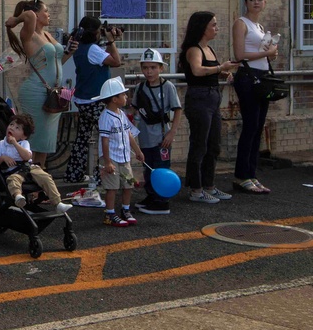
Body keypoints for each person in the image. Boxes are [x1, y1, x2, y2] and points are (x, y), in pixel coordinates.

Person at [178, 12, 239, 204]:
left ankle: (209, 185)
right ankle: (196, 189)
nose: (216, 28)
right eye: (213, 25)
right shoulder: (194, 49)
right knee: (200, 144)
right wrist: (221, 68)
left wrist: (222, 74)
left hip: (213, 97)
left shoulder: (209, 49)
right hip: (199, 98)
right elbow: (197, 70)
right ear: (202, 27)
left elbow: (208, 71)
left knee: (213, 144)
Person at [6, 0, 70, 167]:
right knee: (33, 142)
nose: (49, 14)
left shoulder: (47, 34)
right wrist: (16, 19)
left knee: (44, 145)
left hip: (53, 94)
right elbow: (28, 16)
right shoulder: (28, 34)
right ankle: (29, 179)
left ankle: (39, 181)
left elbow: (55, 63)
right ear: (36, 13)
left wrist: (70, 51)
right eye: (46, 11)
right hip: (36, 92)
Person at [64, 16, 123, 184]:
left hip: (82, 99)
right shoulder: (93, 49)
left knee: (82, 138)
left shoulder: (81, 47)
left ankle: (74, 174)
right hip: (96, 101)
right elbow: (116, 61)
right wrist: (111, 42)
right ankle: (101, 177)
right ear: (95, 32)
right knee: (105, 138)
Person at [231, 0, 278, 194]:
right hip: (248, 77)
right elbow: (240, 54)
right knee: (250, 126)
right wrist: (266, 53)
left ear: (265, 2)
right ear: (246, 3)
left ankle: (252, 174)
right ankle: (242, 175)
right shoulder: (242, 23)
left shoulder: (259, 26)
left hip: (262, 77)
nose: (256, 2)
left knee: (258, 126)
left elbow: (260, 53)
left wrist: (269, 55)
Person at [132, 49, 182, 215]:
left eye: (153, 67)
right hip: (145, 136)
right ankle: (151, 196)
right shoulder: (140, 88)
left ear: (161, 68)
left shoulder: (168, 87)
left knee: (161, 167)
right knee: (148, 168)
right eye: (145, 67)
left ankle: (162, 201)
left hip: (162, 137)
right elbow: (135, 111)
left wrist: (172, 133)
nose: (149, 71)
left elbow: (177, 110)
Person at [0, 113, 72, 215]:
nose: (12, 128)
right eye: (11, 125)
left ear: (23, 136)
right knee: (13, 180)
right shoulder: (1, 144)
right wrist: (3, 158)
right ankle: (18, 197)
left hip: (29, 169)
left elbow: (27, 157)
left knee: (45, 177)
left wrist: (15, 144)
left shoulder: (24, 143)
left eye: (17, 128)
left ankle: (58, 203)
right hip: (13, 172)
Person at [93, 77, 144, 227]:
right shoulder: (105, 117)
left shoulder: (121, 114)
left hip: (124, 157)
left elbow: (129, 135)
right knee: (112, 187)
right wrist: (107, 161)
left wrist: (137, 151)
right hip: (112, 158)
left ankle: (125, 210)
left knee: (128, 184)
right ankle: (109, 214)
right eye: (123, 94)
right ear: (114, 99)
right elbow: (105, 140)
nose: (126, 97)